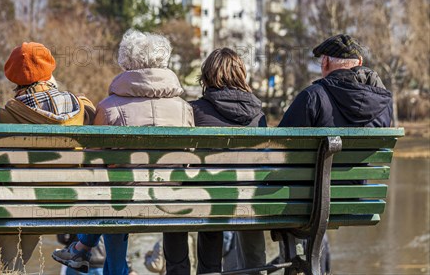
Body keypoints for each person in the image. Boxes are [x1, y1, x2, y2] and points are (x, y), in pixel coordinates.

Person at [52, 29, 194, 275]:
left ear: (125, 61)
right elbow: (189, 161)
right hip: (172, 200)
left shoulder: (108, 107)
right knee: (116, 191)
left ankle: (84, 248)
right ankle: (83, 248)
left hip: (122, 202)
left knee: (112, 192)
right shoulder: (183, 108)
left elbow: (94, 168)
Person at [279, 34, 393, 273]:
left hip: (306, 201)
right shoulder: (382, 103)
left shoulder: (312, 97)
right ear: (359, 62)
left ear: (325, 64)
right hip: (351, 199)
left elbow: (279, 149)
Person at [163, 48, 267, 275]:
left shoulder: (193, 110)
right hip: (244, 197)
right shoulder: (258, 115)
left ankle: (178, 271)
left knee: (179, 199)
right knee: (216, 196)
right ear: (241, 74)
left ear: (207, 76)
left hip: (203, 196)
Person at [0, 42, 96, 271]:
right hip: (70, 200)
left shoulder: (8, 114)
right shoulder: (80, 106)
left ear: (13, 76)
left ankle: (9, 268)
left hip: (23, 200)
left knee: (13, 196)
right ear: (50, 68)